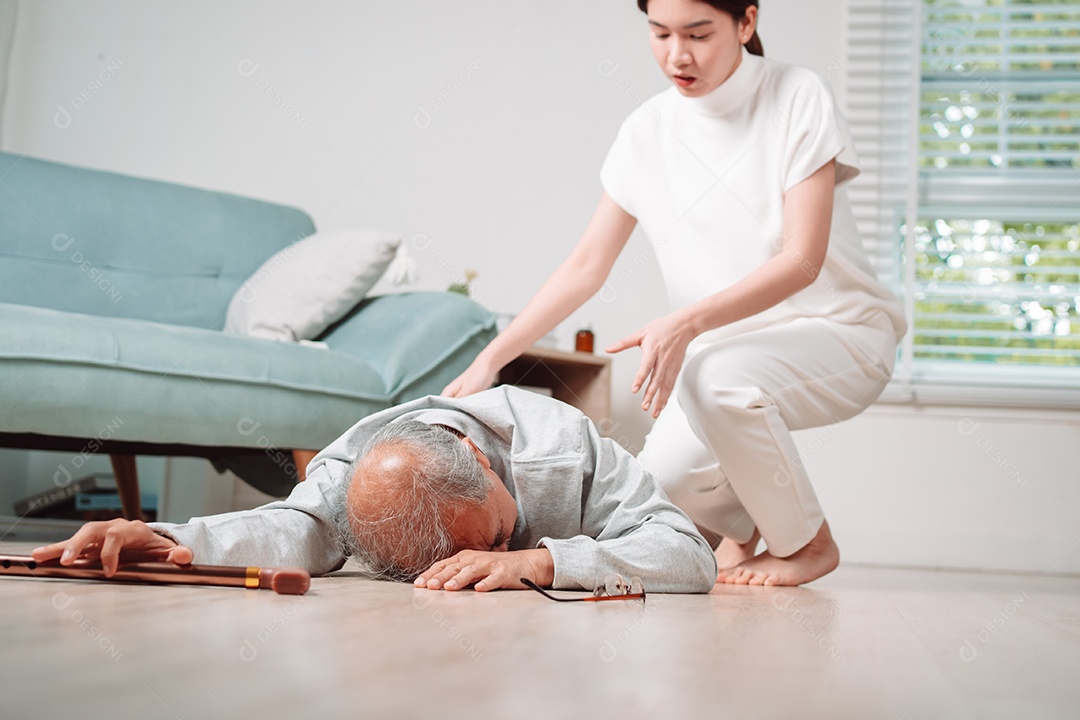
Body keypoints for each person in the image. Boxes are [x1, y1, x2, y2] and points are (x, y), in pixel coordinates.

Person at [442, 0, 907, 587]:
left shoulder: (798, 96)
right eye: (659, 33)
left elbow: (803, 259)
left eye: (698, 33)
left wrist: (685, 324)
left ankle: (808, 543)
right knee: (657, 510)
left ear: (747, 22)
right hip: (721, 362)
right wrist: (492, 358)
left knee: (718, 377)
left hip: (842, 335)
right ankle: (743, 527)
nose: (676, 55)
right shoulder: (646, 130)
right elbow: (587, 265)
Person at [31, 386, 718, 594]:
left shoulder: (565, 445)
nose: (476, 567)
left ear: (476, 456)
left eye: (498, 535)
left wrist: (534, 559)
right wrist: (170, 537)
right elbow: (292, 527)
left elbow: (687, 553)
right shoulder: (345, 478)